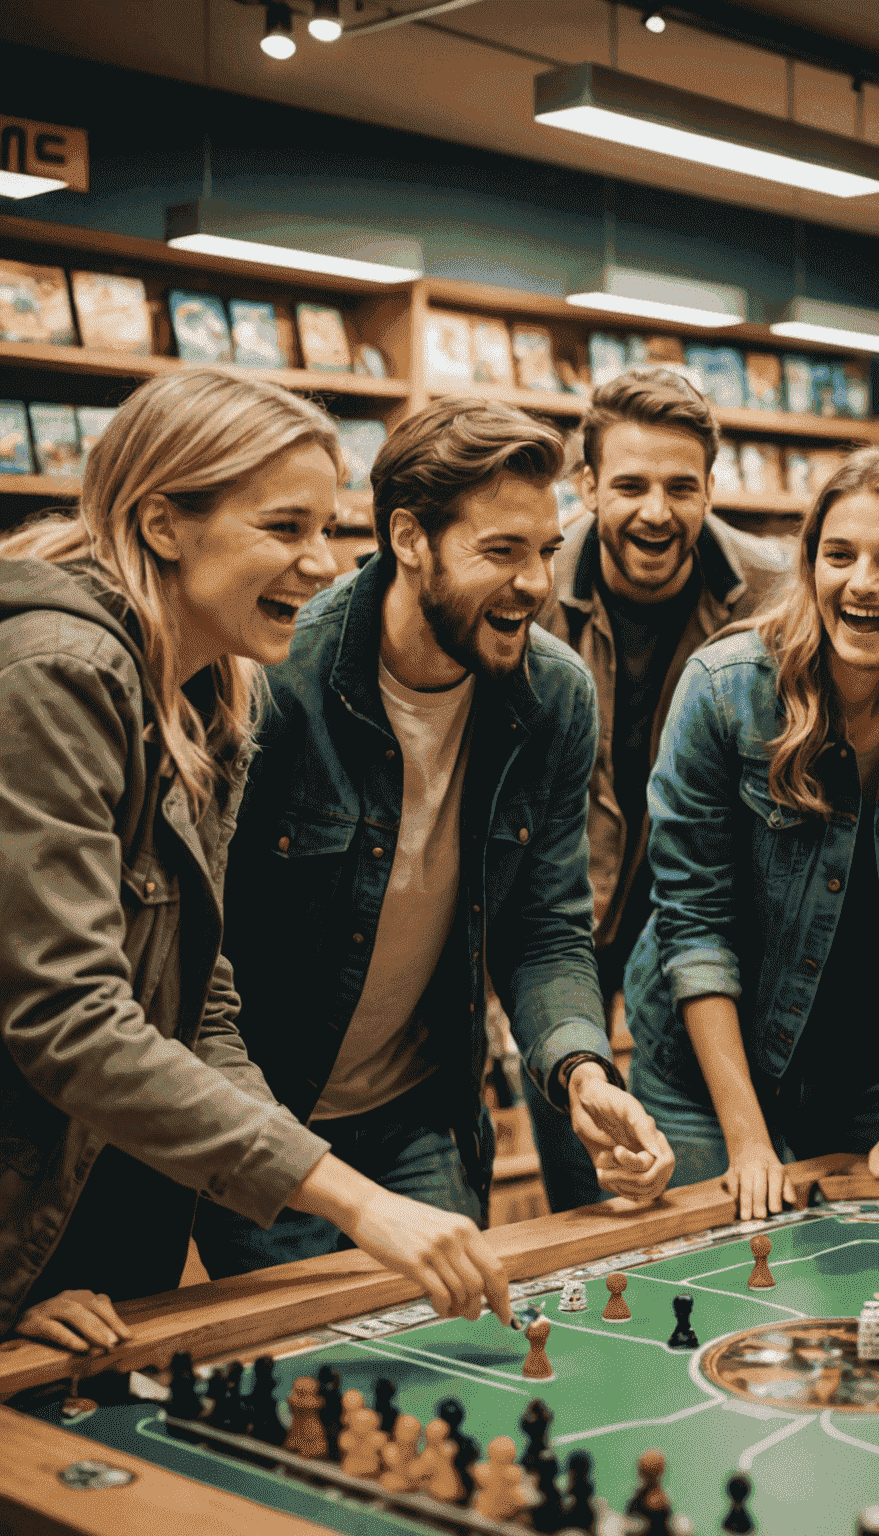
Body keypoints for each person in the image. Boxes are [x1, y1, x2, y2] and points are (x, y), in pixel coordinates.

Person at [1, 369, 514, 1352]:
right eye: (286, 529)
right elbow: (68, 1018)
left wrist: (318, 1180)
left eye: (328, 529)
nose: (322, 565)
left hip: (89, 1223)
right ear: (163, 524)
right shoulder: (55, 674)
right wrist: (359, 1202)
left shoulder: (212, 693)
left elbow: (201, 1005)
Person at [194, 397, 674, 1280]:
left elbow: (545, 927)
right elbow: (199, 951)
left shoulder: (555, 698)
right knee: (306, 1383)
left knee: (447, 1358)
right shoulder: (271, 679)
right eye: (501, 552)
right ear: (410, 539)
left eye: (546, 552)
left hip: (424, 1112)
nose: (534, 583)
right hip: (271, 1114)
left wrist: (583, 1074)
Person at [624, 443, 879, 1220]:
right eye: (840, 555)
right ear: (810, 566)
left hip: (861, 1070)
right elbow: (694, 930)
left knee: (875, 1274)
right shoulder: (725, 691)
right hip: (701, 1077)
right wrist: (749, 1142)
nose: (861, 583)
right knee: (725, 1272)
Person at [530, 367, 787, 1208]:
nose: (656, 511)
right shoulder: (531, 590)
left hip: (702, 909)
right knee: (590, 1170)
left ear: (711, 488)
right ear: (588, 485)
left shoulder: (774, 596)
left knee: (695, 1180)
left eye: (682, 487)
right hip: (560, 906)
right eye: (630, 485)